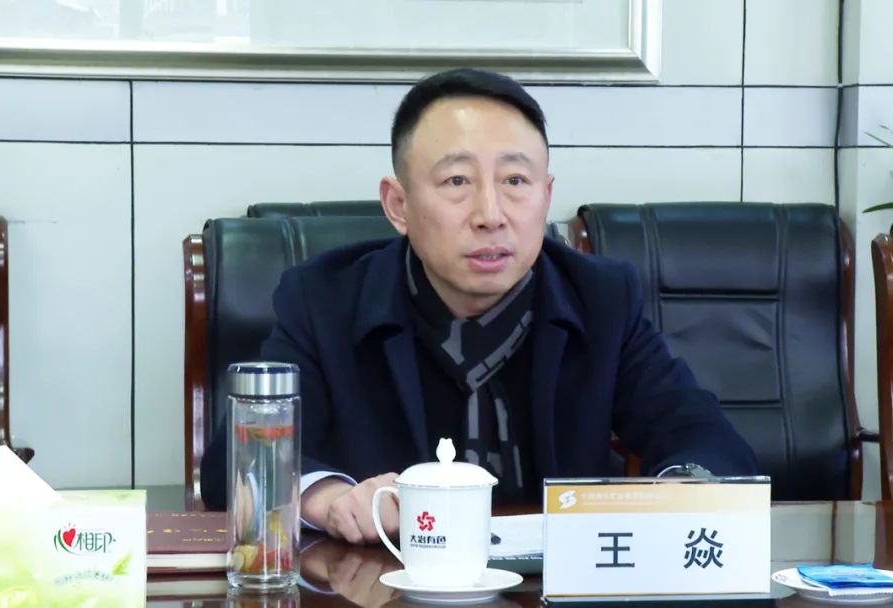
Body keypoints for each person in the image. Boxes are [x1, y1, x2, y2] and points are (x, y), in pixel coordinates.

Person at [201, 68, 758, 543]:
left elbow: (703, 436)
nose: (491, 214)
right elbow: (235, 461)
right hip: (382, 586)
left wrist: (683, 490)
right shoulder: (324, 300)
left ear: (546, 195)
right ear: (398, 204)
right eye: (457, 181)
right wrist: (326, 497)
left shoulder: (601, 298)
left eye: (515, 180)